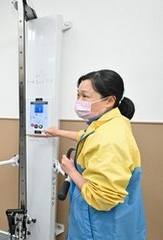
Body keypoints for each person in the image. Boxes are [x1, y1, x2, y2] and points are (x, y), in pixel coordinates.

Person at [44, 69, 146, 240]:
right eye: (78, 95)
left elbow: (102, 198)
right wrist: (58, 132)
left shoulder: (111, 138)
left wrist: (71, 171)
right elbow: (87, 135)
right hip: (107, 221)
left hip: (101, 228)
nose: (79, 101)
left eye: (85, 96)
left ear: (109, 100)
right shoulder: (110, 122)